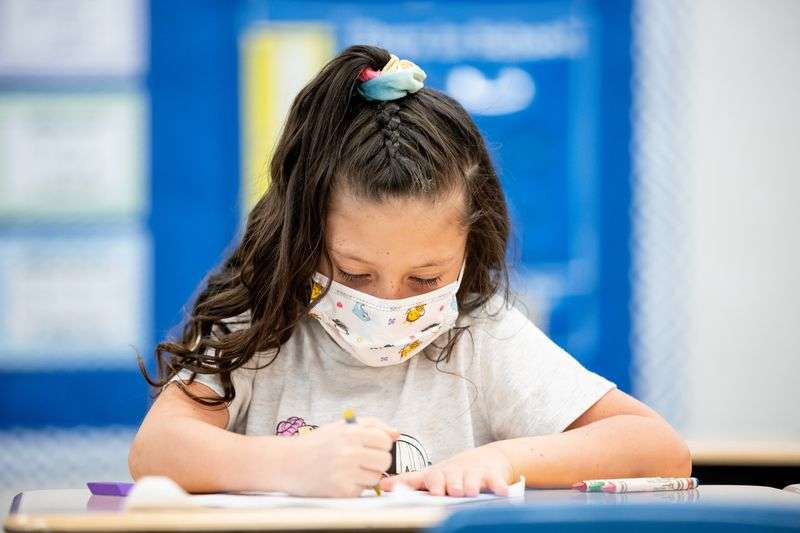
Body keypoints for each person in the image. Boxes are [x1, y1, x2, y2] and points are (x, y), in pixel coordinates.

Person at [129, 45, 691, 498]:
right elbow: (155, 451)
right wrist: (289, 464)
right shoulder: (260, 326)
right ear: (304, 238)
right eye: (354, 274)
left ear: (471, 245)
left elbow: (656, 446)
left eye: (425, 280)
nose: (391, 304)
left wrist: (503, 458)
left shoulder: (480, 335)